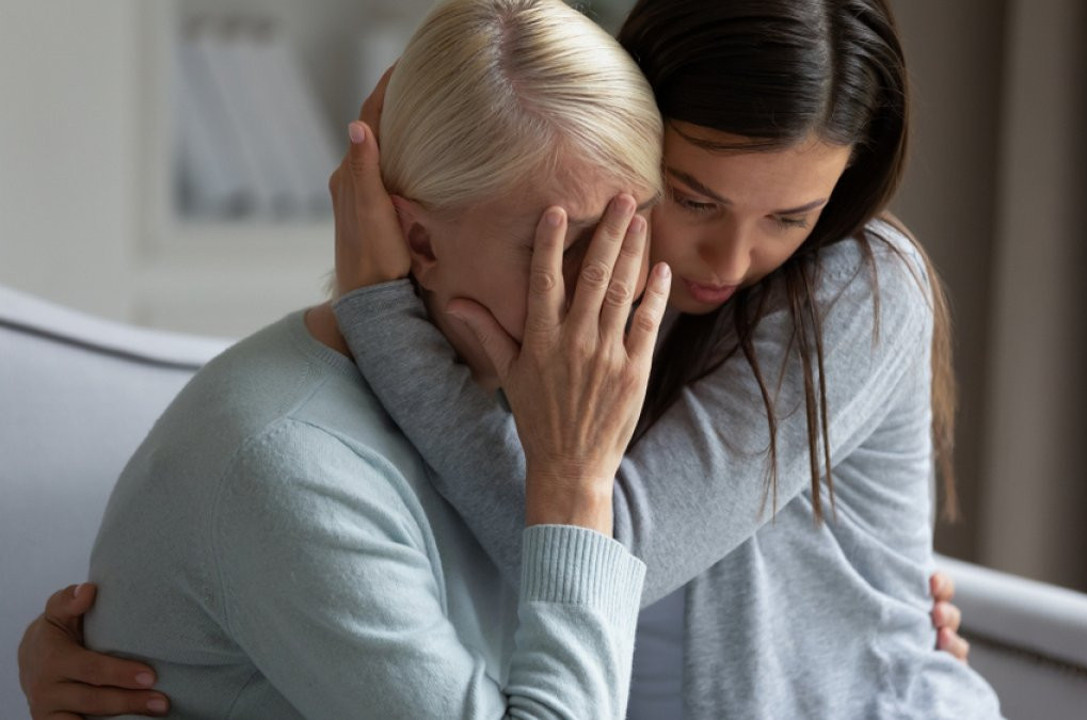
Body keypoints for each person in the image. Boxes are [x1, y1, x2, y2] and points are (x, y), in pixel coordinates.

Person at [18, 0, 976, 717]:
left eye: (791, 216)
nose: (729, 262)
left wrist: (385, 311)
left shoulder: (853, 285)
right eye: (691, 196)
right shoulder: (541, 294)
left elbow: (599, 543)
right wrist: (145, 639)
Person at [17, 0, 672, 717]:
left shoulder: (529, 394)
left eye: (633, 235)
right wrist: (574, 482)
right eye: (569, 247)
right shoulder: (283, 467)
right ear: (420, 244)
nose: (617, 285)